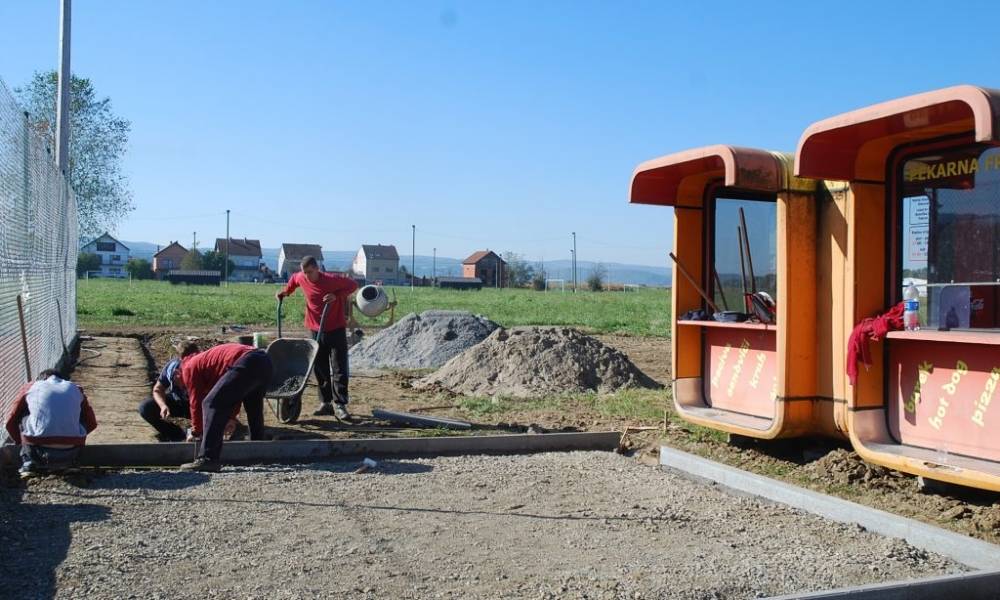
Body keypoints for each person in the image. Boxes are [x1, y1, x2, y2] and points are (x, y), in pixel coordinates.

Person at [276, 255, 358, 421]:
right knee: (319, 367)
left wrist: (337, 296)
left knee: (338, 367)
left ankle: (340, 404)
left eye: (310, 272)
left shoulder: (330, 280)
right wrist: (285, 292)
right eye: (304, 272)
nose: (307, 275)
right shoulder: (301, 277)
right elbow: (293, 281)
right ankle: (325, 403)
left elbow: (353, 285)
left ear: (317, 269)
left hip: (335, 328)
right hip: (314, 329)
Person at [176, 343, 272, 472]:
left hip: (247, 360)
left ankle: (208, 459)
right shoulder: (206, 362)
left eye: (182, 386)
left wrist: (196, 431)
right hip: (264, 360)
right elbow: (234, 393)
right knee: (253, 407)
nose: (184, 388)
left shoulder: (188, 367)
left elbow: (197, 402)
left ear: (178, 373)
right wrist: (231, 417)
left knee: (210, 403)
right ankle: (259, 453)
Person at [4, 369, 97, 479]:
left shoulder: (31, 386)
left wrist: (22, 444)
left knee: (24, 413)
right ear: (62, 379)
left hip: (36, 448)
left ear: (41, 379)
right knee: (81, 416)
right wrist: (74, 434)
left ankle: (28, 462)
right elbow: (91, 422)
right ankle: (73, 462)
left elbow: (11, 420)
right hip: (73, 448)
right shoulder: (75, 388)